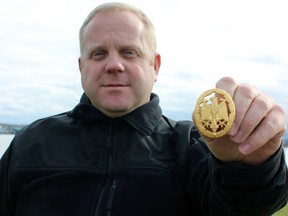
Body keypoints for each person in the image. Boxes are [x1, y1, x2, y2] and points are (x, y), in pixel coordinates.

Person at [0, 2, 287, 215]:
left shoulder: (196, 146)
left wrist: (250, 166)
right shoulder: (31, 140)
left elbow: (245, 208)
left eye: (130, 52)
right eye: (98, 53)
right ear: (81, 66)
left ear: (155, 66)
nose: (114, 65)